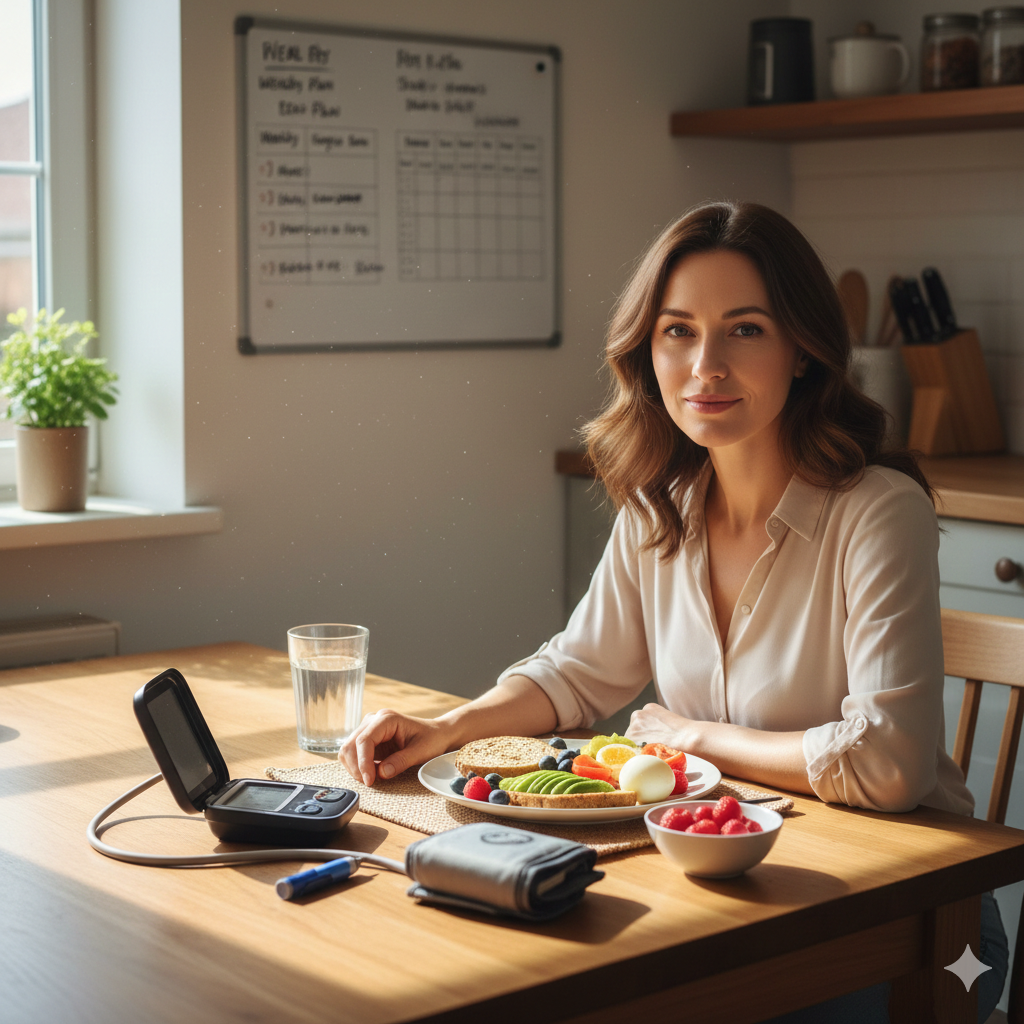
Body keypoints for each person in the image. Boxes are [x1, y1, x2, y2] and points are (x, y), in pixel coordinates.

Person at [340, 202, 1007, 1022]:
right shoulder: (661, 509)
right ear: (647, 351)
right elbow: (576, 674)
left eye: (746, 330)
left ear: (803, 349)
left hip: (908, 923)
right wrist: (450, 728)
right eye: (678, 331)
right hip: (732, 899)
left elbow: (888, 764)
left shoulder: (878, 512)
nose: (706, 366)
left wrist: (693, 740)